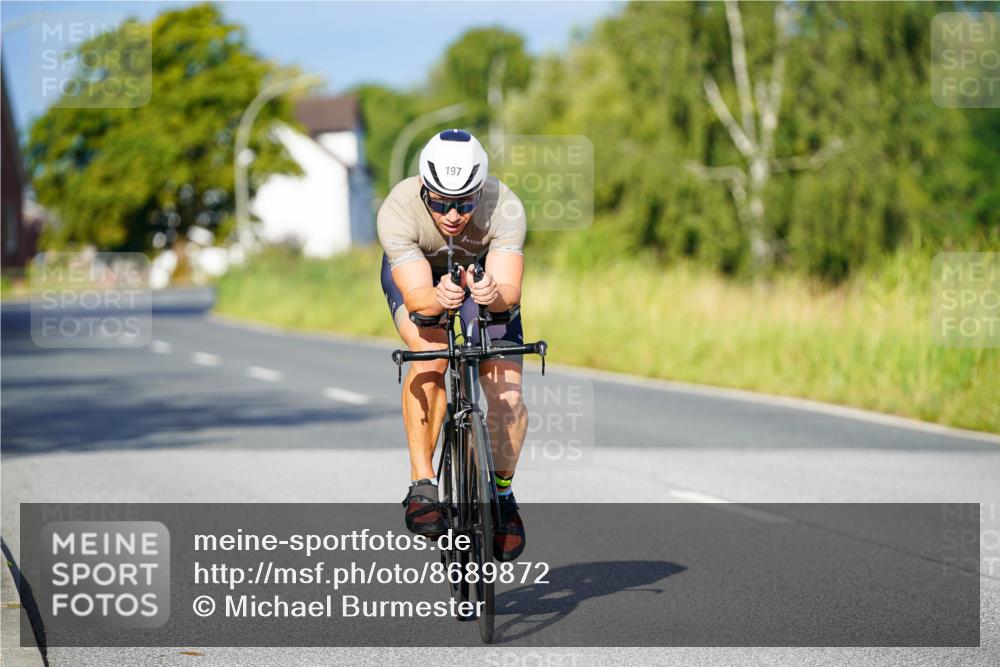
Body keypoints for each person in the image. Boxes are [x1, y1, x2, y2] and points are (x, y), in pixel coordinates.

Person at [377, 128, 528, 562]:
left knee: (508, 397)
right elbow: (418, 298)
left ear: (480, 190)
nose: (452, 214)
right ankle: (423, 483)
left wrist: (489, 293)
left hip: (482, 274)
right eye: (441, 201)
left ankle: (502, 495)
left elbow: (509, 292)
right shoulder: (398, 209)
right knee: (431, 354)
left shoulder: (506, 206)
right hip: (423, 276)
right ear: (424, 187)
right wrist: (437, 298)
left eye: (464, 202)